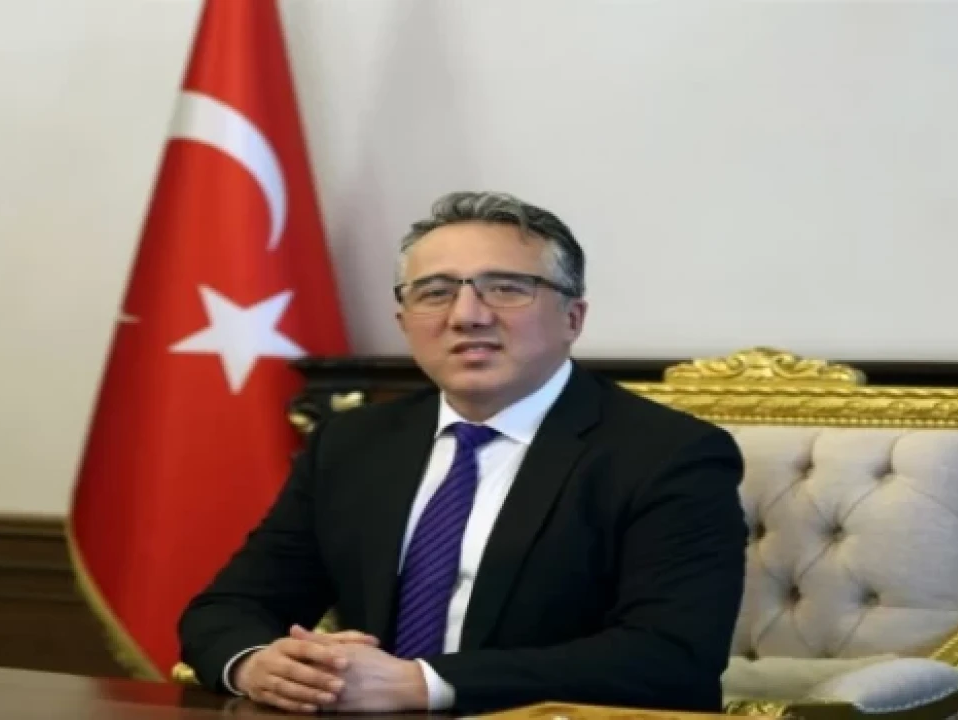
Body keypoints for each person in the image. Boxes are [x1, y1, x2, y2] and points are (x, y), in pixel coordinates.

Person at [177, 191, 748, 714]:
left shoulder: (669, 454)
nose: (467, 315)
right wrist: (258, 665)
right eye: (435, 292)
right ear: (405, 323)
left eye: (506, 288)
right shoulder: (352, 443)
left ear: (572, 318)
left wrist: (422, 684)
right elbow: (227, 609)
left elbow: (670, 657)